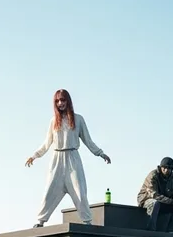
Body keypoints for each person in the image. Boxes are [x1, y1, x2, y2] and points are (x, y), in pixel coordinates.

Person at [26, 89, 111, 227]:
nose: (60, 103)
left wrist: (100, 153)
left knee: (80, 191)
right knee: (49, 190)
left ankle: (87, 221)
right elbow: (47, 143)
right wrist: (35, 156)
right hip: (57, 159)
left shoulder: (78, 119)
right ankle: (40, 222)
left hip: (72, 158)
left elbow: (88, 141)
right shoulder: (54, 121)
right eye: (58, 101)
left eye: (63, 100)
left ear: (68, 101)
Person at [137, 157, 173, 233]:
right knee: (155, 203)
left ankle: (171, 231)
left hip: (164, 203)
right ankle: (151, 230)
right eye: (164, 168)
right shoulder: (153, 175)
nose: (166, 170)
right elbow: (154, 195)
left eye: (169, 168)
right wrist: (171, 201)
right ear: (161, 167)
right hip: (147, 200)